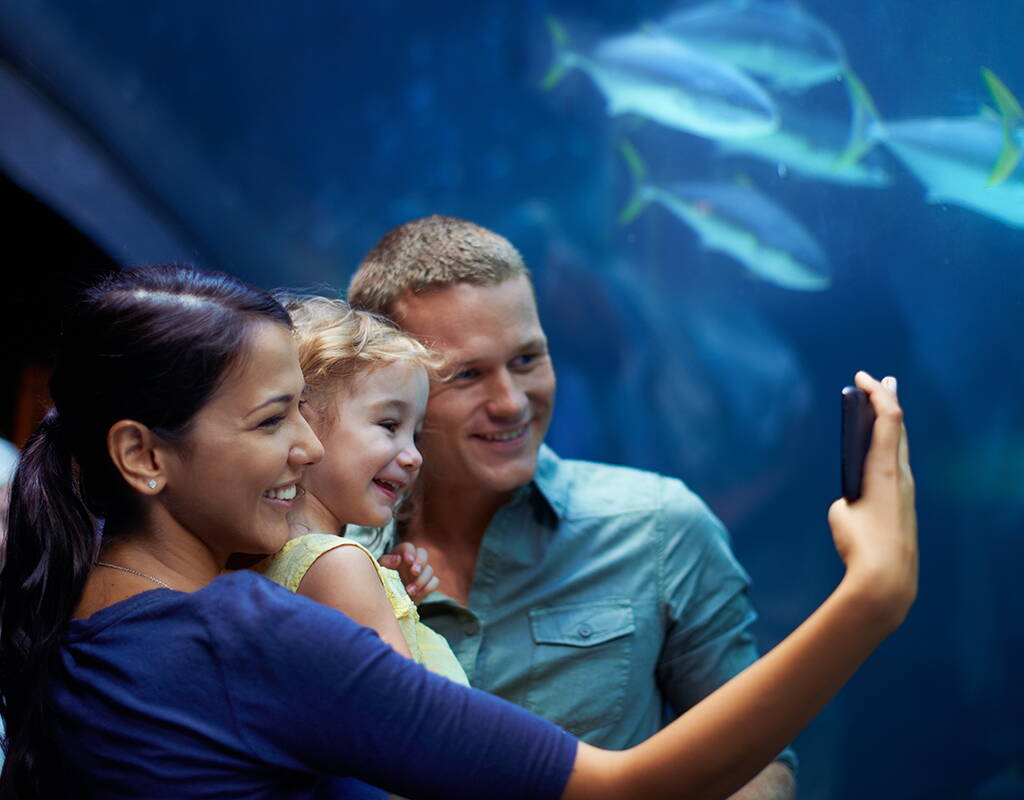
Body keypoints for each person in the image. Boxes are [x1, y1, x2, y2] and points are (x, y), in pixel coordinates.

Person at [0, 263, 916, 800]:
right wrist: (871, 597)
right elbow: (623, 789)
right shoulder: (250, 635)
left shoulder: (72, 624)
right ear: (142, 456)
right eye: (274, 419)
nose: (309, 445)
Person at [345, 216, 795, 795]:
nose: (511, 402)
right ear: (389, 384)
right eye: (468, 375)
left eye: (527, 360)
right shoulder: (323, 554)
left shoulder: (661, 529)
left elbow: (759, 759)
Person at [254, 294, 467, 683]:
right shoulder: (337, 563)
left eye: (415, 434)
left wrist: (392, 602)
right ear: (304, 421)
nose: (414, 457)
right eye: (389, 425)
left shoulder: (280, 560)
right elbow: (412, 711)